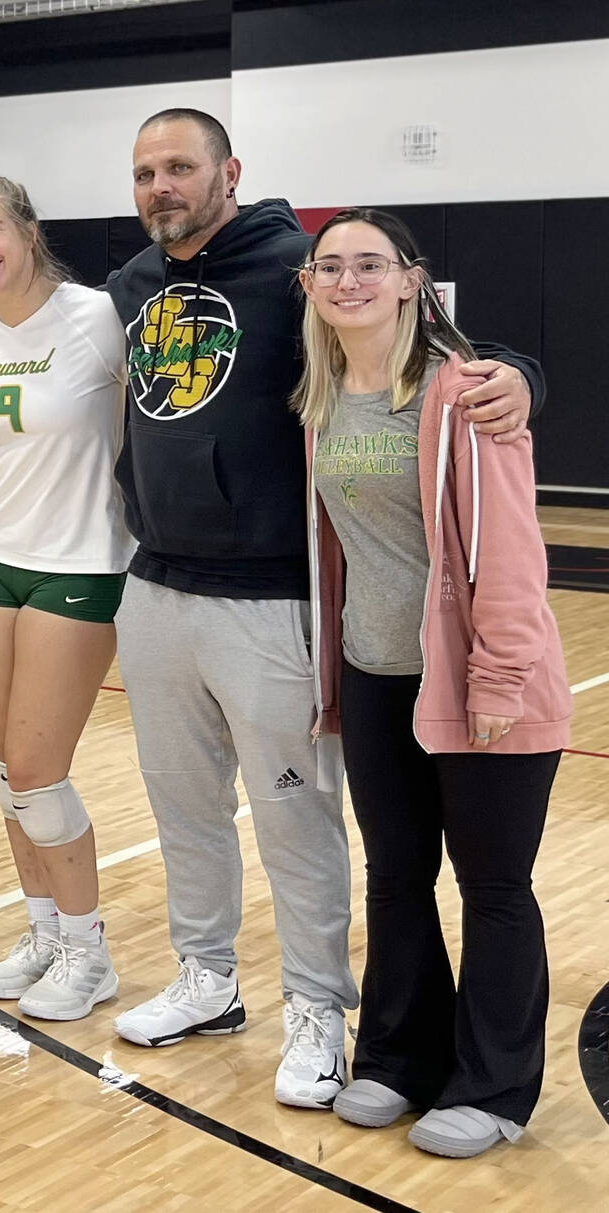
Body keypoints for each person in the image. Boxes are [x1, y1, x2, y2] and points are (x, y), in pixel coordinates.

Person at [0, 107, 541, 1105]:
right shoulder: (125, 289)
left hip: (272, 599)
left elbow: (442, 343)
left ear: (228, 173)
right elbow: (28, 316)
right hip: (155, 585)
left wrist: (519, 374)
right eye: (141, 173)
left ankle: (312, 1007)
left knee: (294, 816)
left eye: (178, 167)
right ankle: (207, 978)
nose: (158, 187)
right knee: (184, 806)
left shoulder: (299, 267)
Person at [298, 208, 568, 1159]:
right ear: (309, 287)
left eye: (370, 264)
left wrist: (498, 677)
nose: (348, 280)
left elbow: (509, 554)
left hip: (481, 685)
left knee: (494, 886)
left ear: (414, 281)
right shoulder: (322, 398)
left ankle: (494, 1087)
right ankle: (399, 1059)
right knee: (397, 878)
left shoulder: (467, 396)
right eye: (329, 265)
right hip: (377, 679)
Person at [0, 176, 135, 1020]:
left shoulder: (97, 318)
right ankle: (45, 932)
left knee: (41, 773)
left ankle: (90, 953)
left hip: (79, 561)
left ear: (28, 231)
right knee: (13, 770)